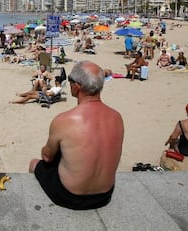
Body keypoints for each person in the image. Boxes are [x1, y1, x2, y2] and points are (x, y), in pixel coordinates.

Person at [29, 61, 124, 210]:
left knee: (34, 164)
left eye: (70, 81)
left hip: (70, 196)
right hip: (105, 195)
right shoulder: (117, 117)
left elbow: (47, 157)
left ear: (77, 86)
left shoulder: (64, 120)